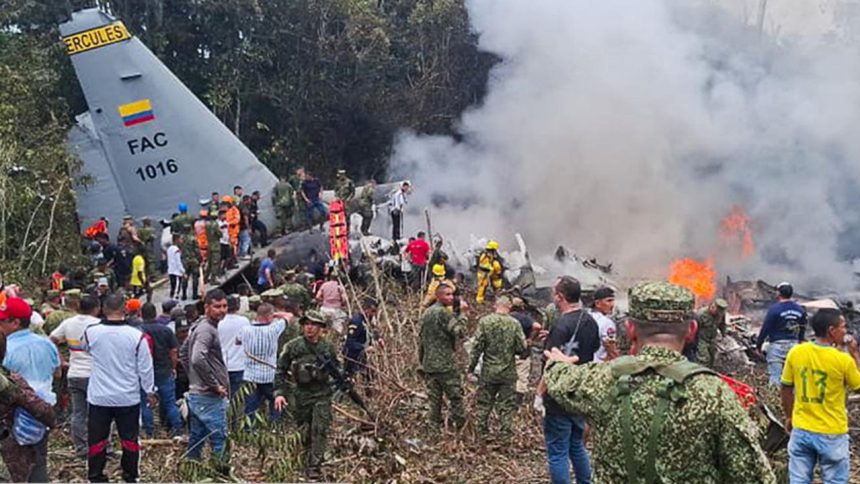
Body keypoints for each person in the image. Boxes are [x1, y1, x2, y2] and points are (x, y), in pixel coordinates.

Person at [543, 281, 776, 484]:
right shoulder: (716, 394)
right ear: (692, 330)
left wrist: (558, 362)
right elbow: (754, 476)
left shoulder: (600, 380)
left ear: (631, 329)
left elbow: (562, 379)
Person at [82, 294, 156, 483]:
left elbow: (85, 348)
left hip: (99, 396)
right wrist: (150, 391)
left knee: (98, 439)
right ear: (125, 309)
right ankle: (130, 475)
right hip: (128, 397)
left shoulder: (91, 332)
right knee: (129, 439)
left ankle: (96, 476)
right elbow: (145, 368)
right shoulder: (137, 336)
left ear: (103, 309)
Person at [781, 308, 860, 483]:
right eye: (843, 327)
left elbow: (786, 387)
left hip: (801, 429)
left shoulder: (796, 352)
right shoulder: (843, 360)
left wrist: (789, 416)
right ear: (831, 331)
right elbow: (858, 387)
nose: (846, 331)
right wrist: (855, 354)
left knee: (798, 480)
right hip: (831, 433)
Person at [538, 276, 599, 484]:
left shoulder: (561, 325)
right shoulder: (590, 321)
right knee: (576, 445)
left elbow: (551, 364)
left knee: (557, 451)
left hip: (558, 396)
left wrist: (539, 394)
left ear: (560, 297)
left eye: (554, 292)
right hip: (581, 392)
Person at [0, 297, 60, 482]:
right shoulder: (47, 344)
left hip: (11, 419)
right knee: (38, 462)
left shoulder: (7, 347)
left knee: (14, 466)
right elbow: (57, 373)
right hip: (40, 415)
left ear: (15, 322)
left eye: (2, 320)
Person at [274, 310, 339, 478]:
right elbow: (280, 370)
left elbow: (337, 370)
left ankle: (315, 466)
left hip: (322, 394)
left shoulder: (327, 347)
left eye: (313, 325)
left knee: (319, 428)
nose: (309, 328)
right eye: (306, 324)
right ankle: (304, 457)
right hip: (300, 395)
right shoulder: (293, 346)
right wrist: (279, 393)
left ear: (321, 328)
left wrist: (339, 386)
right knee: (304, 429)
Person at [180, 289, 230, 462]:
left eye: (224, 306)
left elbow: (184, 353)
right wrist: (213, 384)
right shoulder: (206, 330)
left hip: (197, 394)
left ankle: (191, 466)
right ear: (206, 307)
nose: (222, 310)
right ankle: (221, 472)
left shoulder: (198, 326)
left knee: (197, 435)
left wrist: (194, 379)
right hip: (209, 396)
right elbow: (196, 358)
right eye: (217, 306)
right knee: (219, 437)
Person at [468, 296, 528, 437]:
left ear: (495, 305)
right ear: (509, 307)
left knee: (484, 403)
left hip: (489, 371)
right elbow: (522, 347)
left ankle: (481, 432)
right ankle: (505, 434)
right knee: (506, 405)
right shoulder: (514, 324)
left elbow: (476, 348)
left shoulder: (485, 322)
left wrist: (470, 368)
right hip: (508, 371)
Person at [49, 294, 100, 458]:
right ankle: (97, 446)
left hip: (75, 373)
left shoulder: (68, 323)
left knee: (78, 413)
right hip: (94, 375)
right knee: (98, 413)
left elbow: (52, 339)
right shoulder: (98, 324)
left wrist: (61, 359)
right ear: (96, 308)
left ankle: (81, 447)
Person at [419, 284, 468, 429]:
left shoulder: (426, 313)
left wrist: (421, 360)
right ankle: (460, 427)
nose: (451, 297)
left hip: (429, 364)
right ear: (438, 295)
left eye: (452, 294)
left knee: (434, 399)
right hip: (445, 364)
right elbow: (460, 332)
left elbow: (421, 339)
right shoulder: (443, 313)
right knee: (456, 397)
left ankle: (433, 428)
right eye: (447, 294)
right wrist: (462, 314)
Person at [140, 303, 183, 438]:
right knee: (170, 402)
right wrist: (173, 367)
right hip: (164, 371)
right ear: (155, 313)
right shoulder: (165, 330)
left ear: (141, 315)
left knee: (145, 403)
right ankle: (177, 431)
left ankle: (150, 433)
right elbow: (174, 351)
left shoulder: (138, 331)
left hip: (145, 373)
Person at [237, 303, 285, 420]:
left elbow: (237, 341)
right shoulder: (274, 329)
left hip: (250, 376)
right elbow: (288, 316)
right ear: (270, 316)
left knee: (251, 406)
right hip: (269, 375)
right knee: (275, 401)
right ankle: (275, 426)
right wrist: (276, 315)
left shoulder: (245, 330)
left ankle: (249, 429)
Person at [757, 282, 808, 385]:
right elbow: (803, 326)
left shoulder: (774, 309)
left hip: (777, 346)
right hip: (794, 346)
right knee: (794, 377)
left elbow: (765, 328)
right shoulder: (800, 309)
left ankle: (774, 398)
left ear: (779, 293)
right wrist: (801, 339)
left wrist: (759, 345)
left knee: (775, 376)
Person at [218, 296, 250, 397]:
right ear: (238, 306)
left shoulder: (218, 322)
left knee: (224, 397)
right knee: (239, 399)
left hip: (222, 366)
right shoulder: (244, 321)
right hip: (240, 365)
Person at [511, 297, 541, 397]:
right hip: (522, 352)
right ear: (522, 307)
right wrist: (531, 339)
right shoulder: (525, 318)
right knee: (522, 377)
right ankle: (518, 401)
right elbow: (537, 327)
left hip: (507, 352)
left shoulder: (506, 317)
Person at [344, 299, 377, 381]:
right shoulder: (356, 321)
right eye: (372, 311)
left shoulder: (367, 321)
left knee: (370, 377)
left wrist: (379, 338)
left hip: (363, 357)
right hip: (353, 357)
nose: (374, 314)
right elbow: (350, 342)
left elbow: (372, 332)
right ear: (366, 309)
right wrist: (364, 348)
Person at [696, 298, 728, 368]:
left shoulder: (720, 314)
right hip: (702, 339)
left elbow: (722, 325)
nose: (718, 314)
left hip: (713, 339)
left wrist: (724, 335)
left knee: (712, 358)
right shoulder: (701, 314)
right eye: (717, 311)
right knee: (704, 359)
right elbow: (695, 328)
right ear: (712, 306)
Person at [590, 287, 619, 362]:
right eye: (609, 301)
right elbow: (611, 349)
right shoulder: (606, 322)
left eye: (613, 300)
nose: (612, 304)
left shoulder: (586, 317)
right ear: (597, 303)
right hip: (599, 364)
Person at [476, 240, 504, 304]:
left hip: (489, 273)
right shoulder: (484, 256)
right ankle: (479, 300)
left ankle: (497, 291)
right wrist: (491, 268)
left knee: (496, 282)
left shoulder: (490, 255)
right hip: (483, 274)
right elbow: (483, 266)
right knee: (482, 287)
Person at [167, 234, 186, 300]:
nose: (181, 241)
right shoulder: (176, 250)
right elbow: (178, 262)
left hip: (170, 271)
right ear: (177, 240)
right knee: (177, 290)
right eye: (180, 239)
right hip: (177, 272)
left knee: (172, 288)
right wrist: (183, 272)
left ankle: (171, 299)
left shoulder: (169, 249)